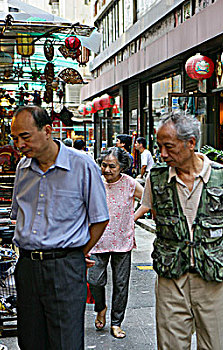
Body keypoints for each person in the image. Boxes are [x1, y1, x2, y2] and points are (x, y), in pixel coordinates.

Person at [10, 106, 110, 349]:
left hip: (65, 269)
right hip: (27, 267)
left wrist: (77, 253)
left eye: (25, 136)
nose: (19, 145)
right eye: (14, 138)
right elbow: (18, 215)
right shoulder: (22, 169)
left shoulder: (82, 165)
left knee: (66, 342)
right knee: (31, 341)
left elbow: (100, 218)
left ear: (47, 131)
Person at [141, 111, 223, 349]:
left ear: (191, 143)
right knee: (171, 345)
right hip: (171, 278)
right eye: (159, 147)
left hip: (214, 276)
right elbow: (156, 217)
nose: (163, 154)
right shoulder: (156, 179)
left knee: (217, 344)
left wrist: (208, 247)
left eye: (169, 147)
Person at [88, 147, 148, 339]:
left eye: (111, 166)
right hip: (97, 240)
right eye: (104, 165)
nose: (106, 170)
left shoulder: (130, 183)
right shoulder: (95, 183)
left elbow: (148, 200)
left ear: (121, 166)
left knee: (121, 284)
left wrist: (133, 217)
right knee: (94, 279)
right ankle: (101, 307)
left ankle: (116, 322)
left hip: (123, 240)